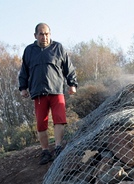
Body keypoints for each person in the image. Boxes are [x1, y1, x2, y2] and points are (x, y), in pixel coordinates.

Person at [19, 23, 78, 165]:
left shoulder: (58, 48)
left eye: (46, 34)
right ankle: (45, 151)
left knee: (59, 119)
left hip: (56, 90)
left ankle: (58, 147)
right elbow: (24, 71)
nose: (44, 37)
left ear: (50, 34)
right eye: (41, 34)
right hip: (38, 93)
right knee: (41, 124)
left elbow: (68, 67)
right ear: (35, 35)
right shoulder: (29, 51)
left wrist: (72, 84)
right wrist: (23, 88)